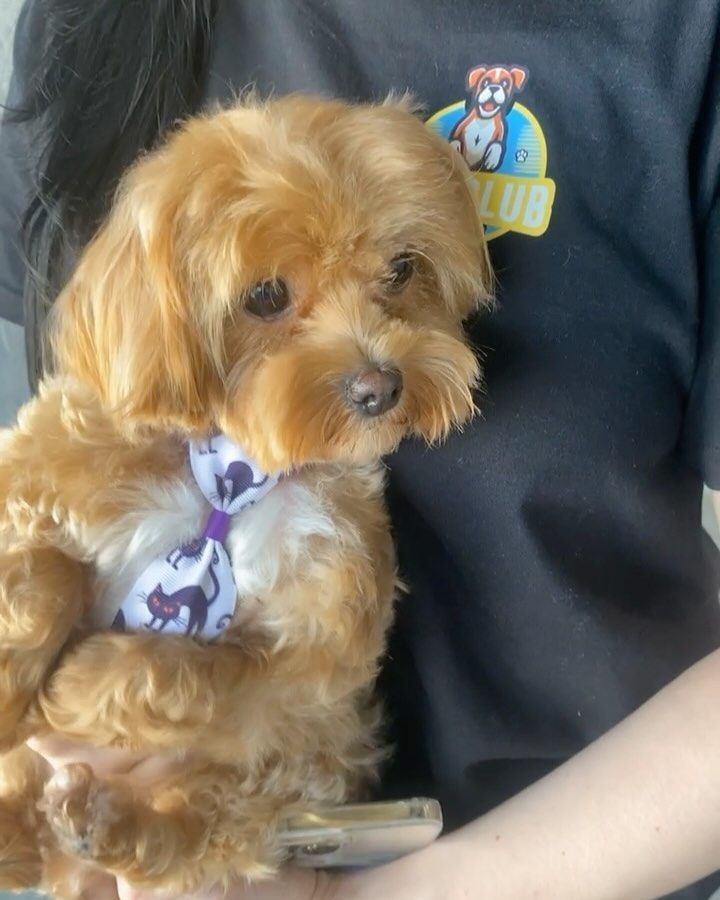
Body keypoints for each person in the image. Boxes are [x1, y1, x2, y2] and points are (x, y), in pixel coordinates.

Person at [2, 1, 720, 898]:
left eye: (396, 276)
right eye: (268, 296)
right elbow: (66, 443)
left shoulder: (678, 40)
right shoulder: (98, 20)